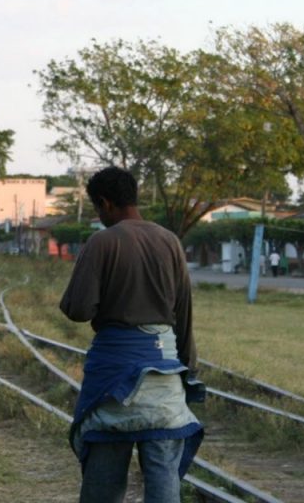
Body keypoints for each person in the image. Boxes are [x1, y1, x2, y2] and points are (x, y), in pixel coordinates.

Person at [59, 167, 203, 503]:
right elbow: (184, 315)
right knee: (164, 480)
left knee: (104, 484)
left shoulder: (102, 242)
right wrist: (188, 371)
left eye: (97, 209)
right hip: (165, 378)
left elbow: (78, 309)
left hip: (113, 380)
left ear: (105, 203)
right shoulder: (170, 242)